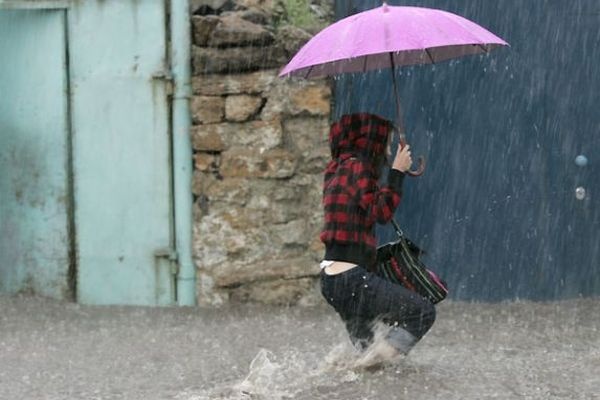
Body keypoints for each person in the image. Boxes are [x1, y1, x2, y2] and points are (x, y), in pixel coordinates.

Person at [319, 112, 436, 365]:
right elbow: (381, 211)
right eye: (386, 143)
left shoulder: (336, 169)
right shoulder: (357, 167)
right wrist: (397, 172)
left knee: (367, 350)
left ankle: (361, 367)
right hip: (351, 278)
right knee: (421, 312)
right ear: (370, 141)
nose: (388, 150)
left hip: (332, 280)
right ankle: (371, 364)